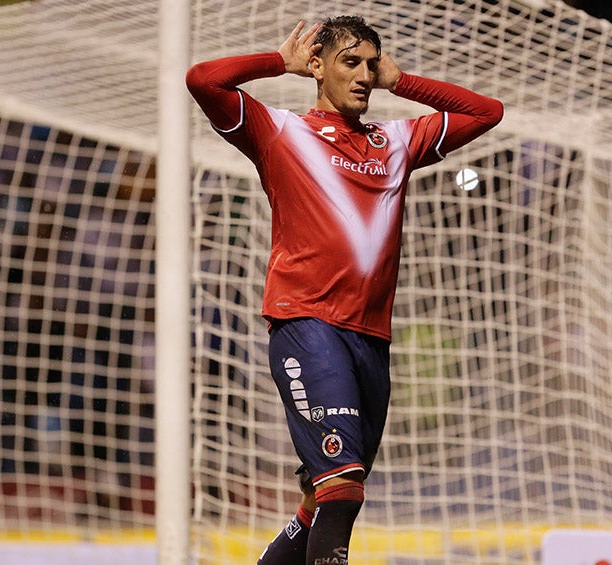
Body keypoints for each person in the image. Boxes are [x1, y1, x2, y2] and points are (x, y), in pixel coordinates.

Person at [186, 15, 503, 564]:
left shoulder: (397, 141)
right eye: (349, 62)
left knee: (323, 499)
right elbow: (203, 80)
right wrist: (276, 63)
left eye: (370, 63)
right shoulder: (280, 133)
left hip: (369, 342)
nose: (363, 75)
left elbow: (487, 112)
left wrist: (401, 82)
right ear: (317, 67)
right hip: (307, 325)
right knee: (343, 488)